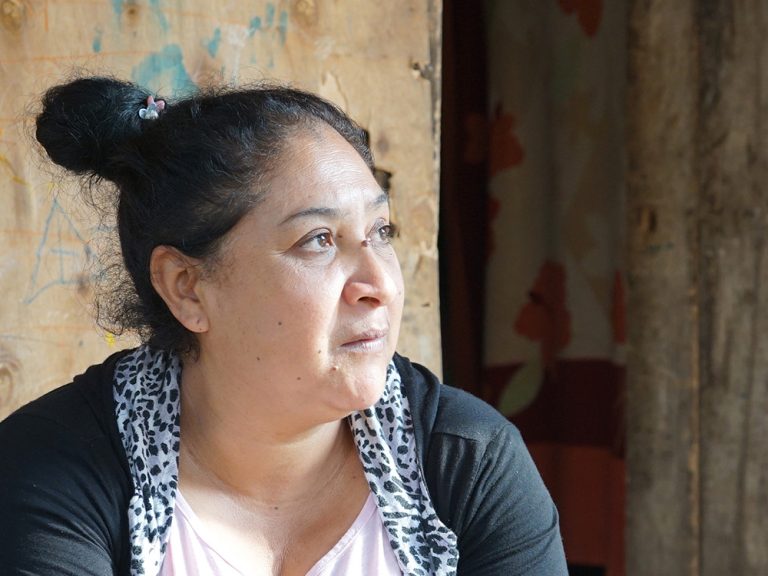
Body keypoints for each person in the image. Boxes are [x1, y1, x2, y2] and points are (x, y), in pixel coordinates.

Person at [0, 77, 567, 575]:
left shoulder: (465, 462)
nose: (380, 285)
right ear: (186, 287)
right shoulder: (54, 468)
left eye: (380, 233)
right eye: (319, 240)